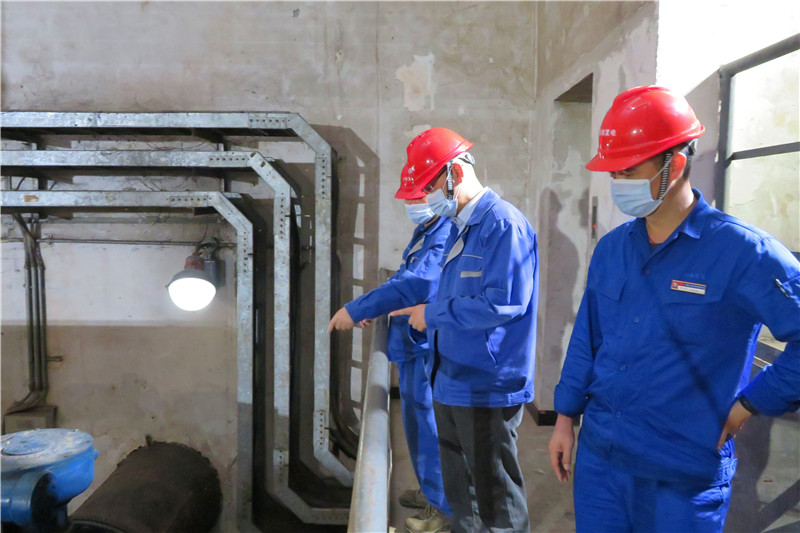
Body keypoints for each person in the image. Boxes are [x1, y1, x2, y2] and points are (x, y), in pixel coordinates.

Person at [548, 85, 800, 533]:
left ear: (676, 165)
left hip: (682, 475)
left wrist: (751, 402)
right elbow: (588, 339)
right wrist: (565, 418)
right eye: (614, 172)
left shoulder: (743, 252)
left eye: (628, 171)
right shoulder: (612, 249)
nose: (617, 183)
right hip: (603, 464)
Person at [392, 127, 538, 533]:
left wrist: (433, 315)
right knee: (463, 497)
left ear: (454, 173)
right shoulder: (460, 226)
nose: (426, 197)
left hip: (487, 384)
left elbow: (504, 303)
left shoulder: (503, 225)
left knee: (496, 500)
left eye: (429, 186)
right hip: (452, 378)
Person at [328, 174, 453, 533]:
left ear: (434, 193)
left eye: (417, 198)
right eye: (408, 199)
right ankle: (432, 491)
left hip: (427, 346)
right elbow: (402, 275)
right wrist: (374, 306)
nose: (411, 205)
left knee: (430, 425)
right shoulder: (427, 230)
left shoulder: (444, 232)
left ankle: (443, 508)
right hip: (415, 344)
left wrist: (355, 309)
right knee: (417, 422)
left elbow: (418, 284)